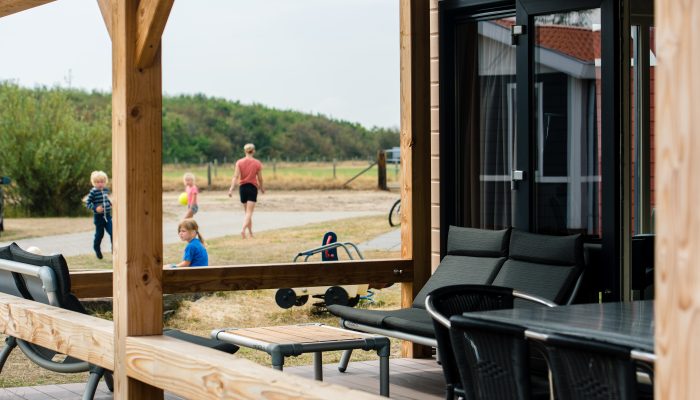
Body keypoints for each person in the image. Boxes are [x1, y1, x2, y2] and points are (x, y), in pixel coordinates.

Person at [228, 143, 264, 239]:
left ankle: (251, 233)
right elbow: (260, 178)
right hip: (252, 187)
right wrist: (261, 187)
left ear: (245, 151)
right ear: (254, 151)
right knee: (249, 212)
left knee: (247, 213)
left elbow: (235, 176)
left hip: (242, 188)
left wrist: (231, 189)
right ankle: (243, 229)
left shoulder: (239, 162)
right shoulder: (257, 163)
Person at [85, 170, 112, 260]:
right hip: (99, 217)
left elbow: (107, 200)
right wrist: (95, 207)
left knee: (113, 232)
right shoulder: (93, 192)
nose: (100, 184)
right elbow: (88, 203)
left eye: (102, 182)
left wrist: (111, 203)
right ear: (94, 183)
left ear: (105, 182)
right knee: (100, 235)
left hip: (107, 216)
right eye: (97, 182)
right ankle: (97, 249)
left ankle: (115, 250)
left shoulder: (105, 190)